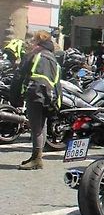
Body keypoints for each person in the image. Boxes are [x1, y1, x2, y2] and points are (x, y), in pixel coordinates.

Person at [10, 31, 62, 170]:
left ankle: (37, 158)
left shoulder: (34, 54)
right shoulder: (53, 58)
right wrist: (57, 102)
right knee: (42, 125)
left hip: (35, 93)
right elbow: (58, 82)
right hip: (49, 96)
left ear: (38, 41)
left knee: (36, 127)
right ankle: (36, 156)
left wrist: (14, 97)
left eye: (33, 39)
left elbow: (19, 74)